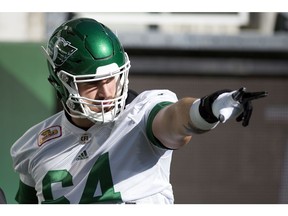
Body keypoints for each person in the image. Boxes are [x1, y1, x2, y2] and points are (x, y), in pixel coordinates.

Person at [10, 17, 267, 204]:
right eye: (91, 83)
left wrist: (207, 108)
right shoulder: (32, 144)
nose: (107, 92)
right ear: (61, 83)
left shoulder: (141, 114)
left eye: (112, 78)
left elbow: (176, 119)